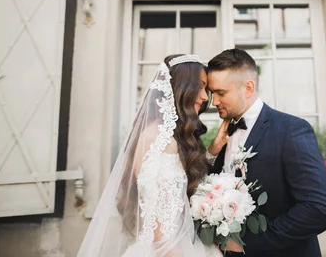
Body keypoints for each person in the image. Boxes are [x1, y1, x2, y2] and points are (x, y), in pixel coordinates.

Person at [78, 54, 222, 257]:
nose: (205, 97)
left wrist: (214, 149)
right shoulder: (158, 139)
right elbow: (158, 226)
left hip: (182, 245)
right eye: (199, 86)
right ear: (180, 88)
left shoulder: (167, 136)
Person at [206, 48, 326, 257]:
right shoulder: (221, 136)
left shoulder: (291, 129)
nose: (214, 102)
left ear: (248, 88)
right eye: (212, 93)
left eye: (221, 93)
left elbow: (319, 210)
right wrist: (212, 152)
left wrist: (246, 243)